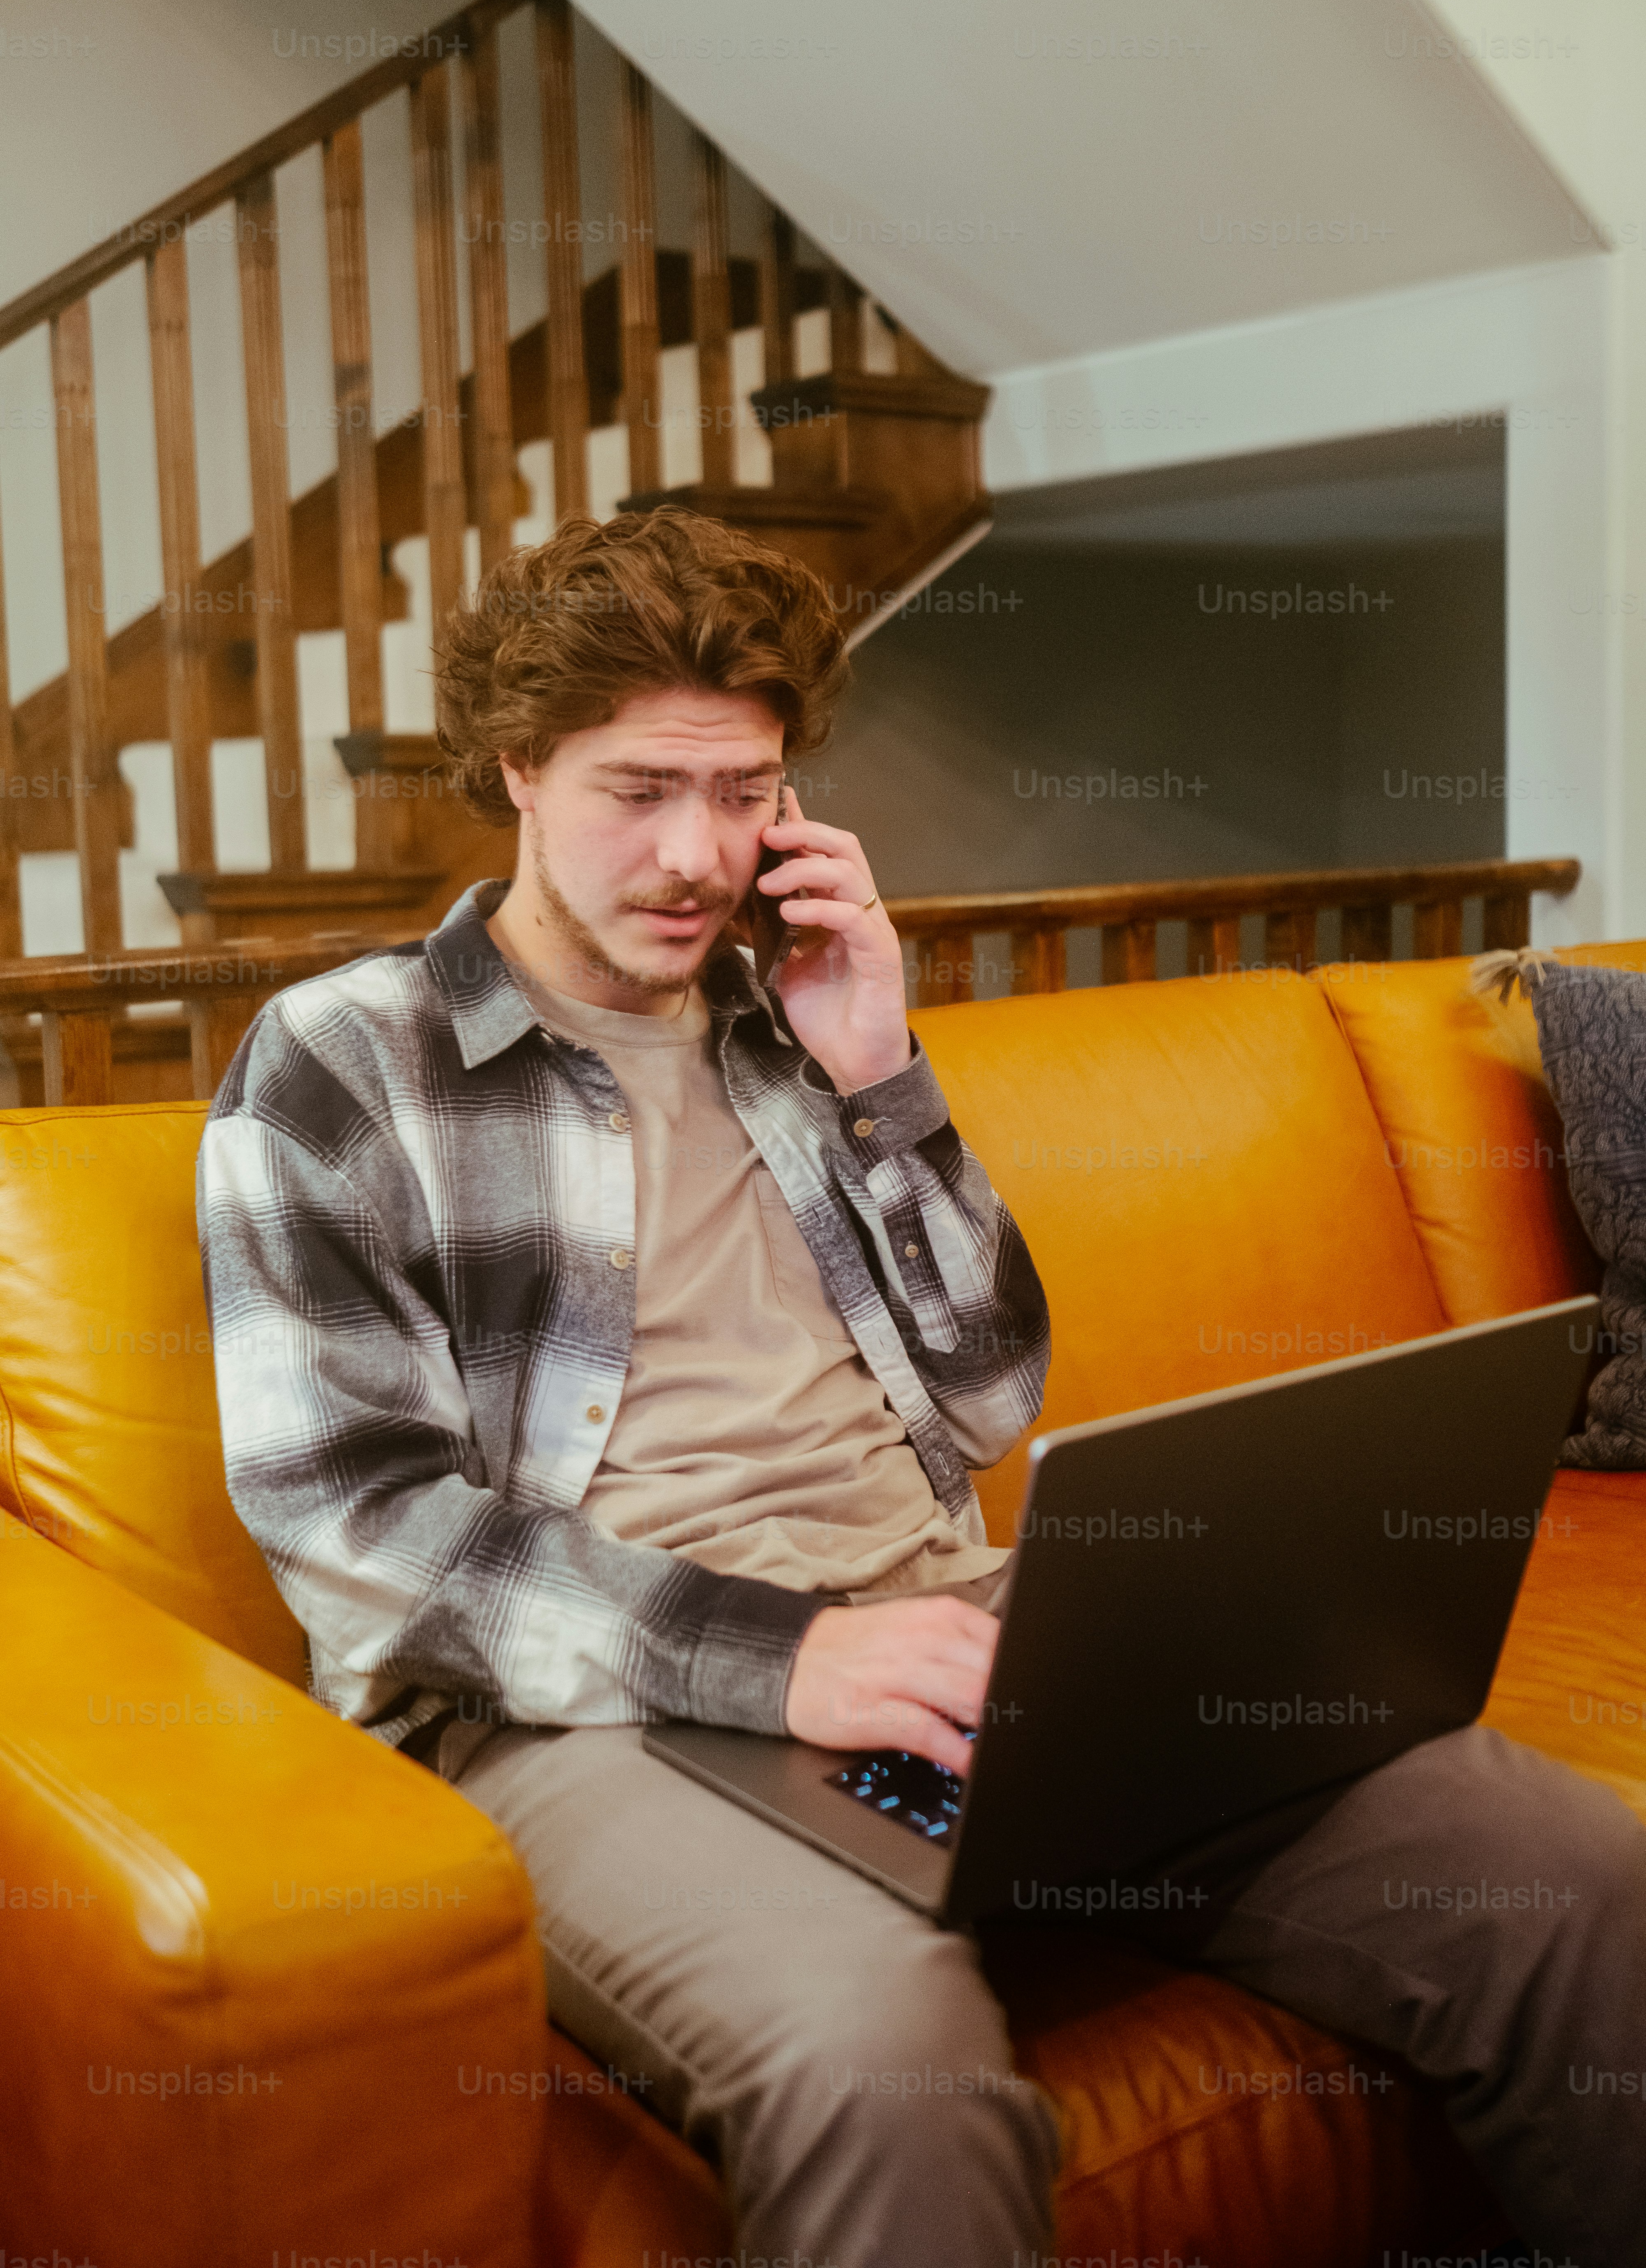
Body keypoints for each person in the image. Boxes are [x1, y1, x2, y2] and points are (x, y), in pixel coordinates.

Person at [200, 507, 1646, 2268]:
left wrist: (879, 1069)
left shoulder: (792, 1017)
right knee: (897, 2070)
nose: (694, 854)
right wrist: (786, 1654)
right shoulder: (349, 1059)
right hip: (586, 1705)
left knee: (1580, 1883)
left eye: (741, 793)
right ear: (517, 767)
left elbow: (987, 1396)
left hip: (948, 1613)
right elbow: (357, 1526)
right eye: (638, 789)